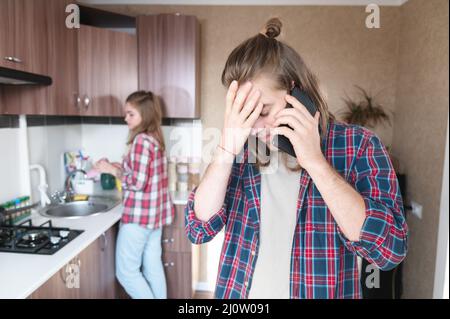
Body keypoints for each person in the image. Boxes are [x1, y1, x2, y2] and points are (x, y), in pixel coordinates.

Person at [185, 18, 408, 299]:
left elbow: (389, 250)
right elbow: (198, 229)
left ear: (295, 91)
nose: (254, 127)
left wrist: (315, 161)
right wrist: (226, 150)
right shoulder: (239, 148)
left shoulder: (359, 145)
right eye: (245, 113)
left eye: (263, 111)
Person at [95, 91, 174, 299]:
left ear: (144, 115)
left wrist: (110, 170)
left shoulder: (140, 141)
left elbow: (137, 183)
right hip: (154, 218)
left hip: (139, 219)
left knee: (126, 273)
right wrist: (118, 166)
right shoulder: (155, 140)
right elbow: (143, 173)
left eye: (131, 114)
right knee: (153, 268)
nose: (125, 118)